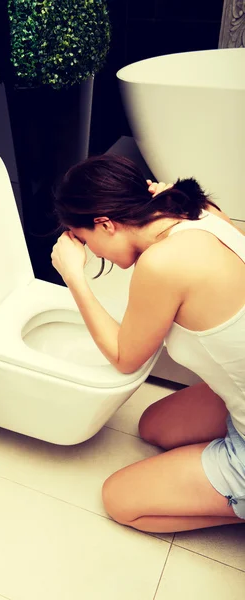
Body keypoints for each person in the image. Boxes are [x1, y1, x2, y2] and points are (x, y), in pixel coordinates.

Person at [51, 153, 245, 534]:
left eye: (87, 242)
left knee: (120, 499)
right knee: (153, 425)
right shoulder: (200, 212)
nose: (93, 253)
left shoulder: (162, 264)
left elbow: (126, 358)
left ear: (105, 224)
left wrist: (74, 277)